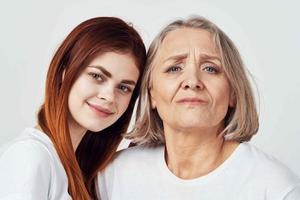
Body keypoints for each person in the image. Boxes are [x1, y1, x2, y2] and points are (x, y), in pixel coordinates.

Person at [97, 16, 300, 200]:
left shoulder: (275, 188)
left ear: (233, 94)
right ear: (151, 94)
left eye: (210, 68)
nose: (192, 81)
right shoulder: (114, 174)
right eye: (174, 68)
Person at [0, 17, 146, 200]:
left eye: (124, 88)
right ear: (64, 71)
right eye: (97, 76)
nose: (109, 96)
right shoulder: (30, 156)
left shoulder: (81, 170)